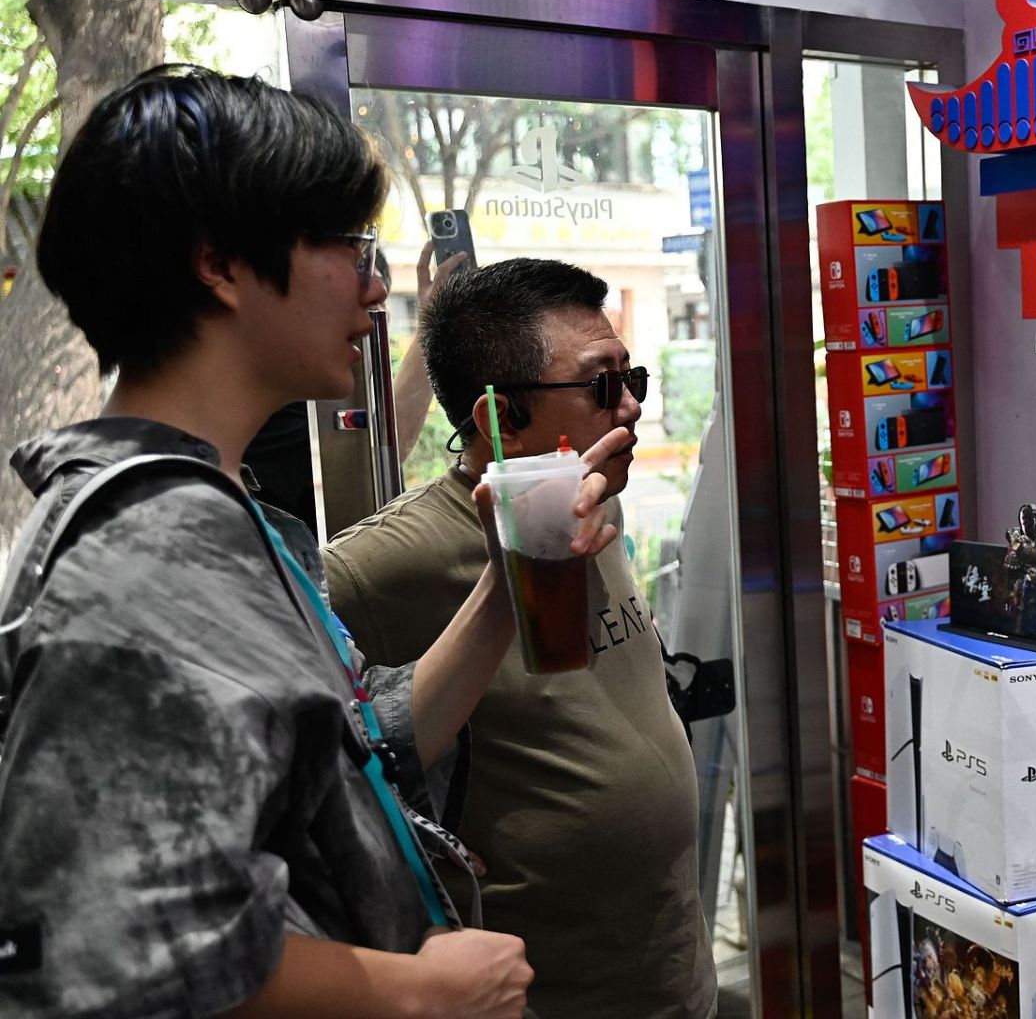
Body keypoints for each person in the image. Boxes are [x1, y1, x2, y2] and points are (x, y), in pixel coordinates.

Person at [0, 65, 632, 1017]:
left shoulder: (217, 507)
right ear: (220, 263)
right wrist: (412, 991)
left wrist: (515, 577)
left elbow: (354, 741)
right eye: (345, 244)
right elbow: (124, 943)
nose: (377, 284)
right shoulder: (144, 559)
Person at [322, 257, 718, 1018]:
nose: (631, 405)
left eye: (632, 377)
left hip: (667, 978)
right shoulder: (392, 562)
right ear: (499, 420)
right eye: (603, 385)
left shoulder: (598, 505)